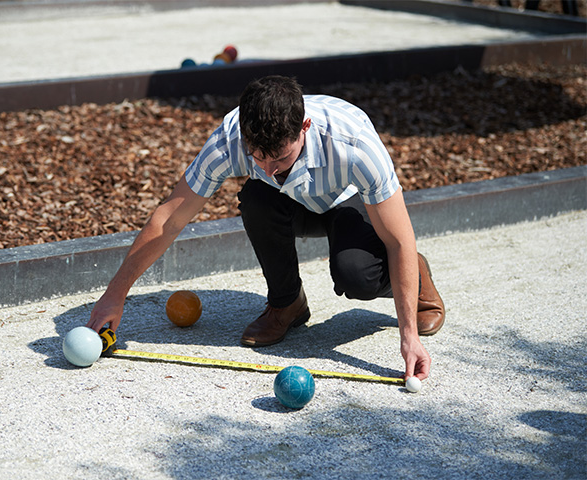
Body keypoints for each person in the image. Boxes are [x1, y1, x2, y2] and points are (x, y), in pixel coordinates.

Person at [87, 75, 444, 380]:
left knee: (356, 275)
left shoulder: (353, 144)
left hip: (346, 204)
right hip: (291, 205)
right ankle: (287, 304)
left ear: (304, 126)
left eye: (281, 157)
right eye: (258, 156)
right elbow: (170, 219)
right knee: (257, 196)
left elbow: (398, 240)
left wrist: (409, 336)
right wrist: (113, 296)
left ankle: (420, 279)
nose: (269, 168)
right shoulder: (231, 138)